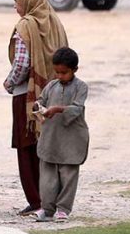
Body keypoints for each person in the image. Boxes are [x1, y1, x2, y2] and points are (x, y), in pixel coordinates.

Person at [4, 0, 68, 216]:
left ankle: (37, 200)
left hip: (28, 97)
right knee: (48, 149)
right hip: (54, 97)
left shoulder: (25, 26)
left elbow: (22, 64)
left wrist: (9, 82)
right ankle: (52, 200)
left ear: (28, 1)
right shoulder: (55, 22)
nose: (15, 6)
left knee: (27, 147)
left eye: (16, 1)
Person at [33, 47, 89, 223]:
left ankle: (63, 209)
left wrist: (57, 109)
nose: (59, 76)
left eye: (64, 73)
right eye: (56, 72)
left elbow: (77, 109)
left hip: (72, 138)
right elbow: (41, 100)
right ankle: (47, 209)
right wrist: (38, 107)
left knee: (68, 175)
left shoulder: (81, 87)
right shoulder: (51, 86)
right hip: (51, 136)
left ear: (74, 70)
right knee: (47, 176)